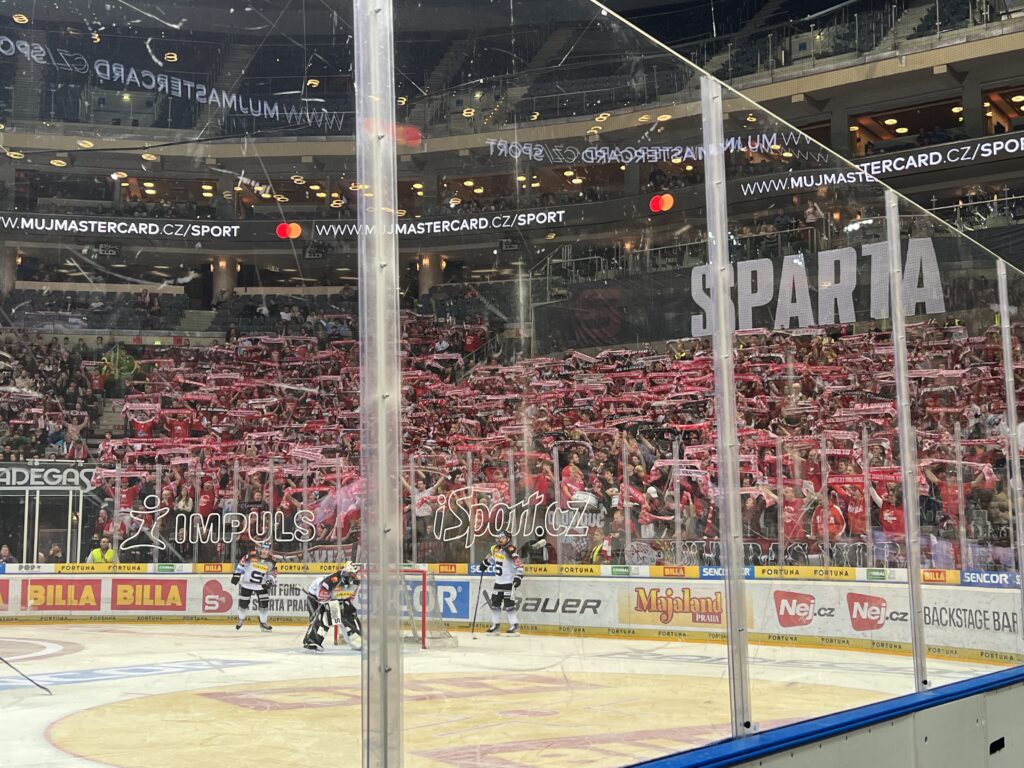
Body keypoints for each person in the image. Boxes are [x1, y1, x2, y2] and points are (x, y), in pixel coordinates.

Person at [303, 562, 361, 652]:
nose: (354, 576)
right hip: (315, 595)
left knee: (350, 613)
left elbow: (350, 597)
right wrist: (333, 606)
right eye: (351, 573)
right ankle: (311, 641)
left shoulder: (356, 581)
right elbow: (321, 597)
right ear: (346, 572)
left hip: (334, 597)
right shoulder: (332, 580)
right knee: (322, 618)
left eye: (355, 573)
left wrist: (342, 605)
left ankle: (356, 641)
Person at [481, 530, 523, 636]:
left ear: (508, 539)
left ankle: (514, 626)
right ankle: (496, 626)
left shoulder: (511, 550)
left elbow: (519, 565)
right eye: (499, 537)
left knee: (509, 605)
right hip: (498, 582)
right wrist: (484, 564)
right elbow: (492, 560)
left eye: (503, 538)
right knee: (495, 604)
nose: (500, 539)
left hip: (509, 582)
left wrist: (518, 577)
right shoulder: (497, 550)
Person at [231, 541, 278, 631]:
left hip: (261, 586)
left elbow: (273, 574)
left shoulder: (273, 561)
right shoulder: (251, 555)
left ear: (269, 550)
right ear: (260, 549)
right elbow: (241, 564)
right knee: (243, 605)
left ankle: (263, 622)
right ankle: (241, 620)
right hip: (247, 584)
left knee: (264, 605)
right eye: (263, 548)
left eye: (267, 549)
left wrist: (270, 581)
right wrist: (237, 574)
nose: (264, 551)